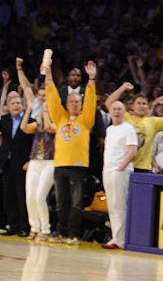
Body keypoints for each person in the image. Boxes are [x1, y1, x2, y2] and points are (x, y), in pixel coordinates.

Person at [44, 54, 97, 243]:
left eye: (77, 102)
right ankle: (61, 231)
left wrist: (91, 79)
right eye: (72, 101)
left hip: (78, 165)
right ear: (67, 104)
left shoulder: (86, 119)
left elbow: (91, 101)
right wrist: (48, 75)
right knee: (60, 203)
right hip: (60, 164)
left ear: (81, 104)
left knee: (76, 203)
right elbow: (51, 98)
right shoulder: (60, 117)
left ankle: (74, 234)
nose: (75, 104)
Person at [104, 83, 163, 173]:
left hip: (144, 167)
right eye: (138, 103)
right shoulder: (125, 117)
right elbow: (109, 103)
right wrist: (122, 88)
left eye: (144, 104)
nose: (141, 106)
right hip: (126, 165)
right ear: (132, 106)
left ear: (148, 107)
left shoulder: (153, 121)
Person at [101, 100, 138, 249]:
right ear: (110, 112)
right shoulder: (109, 129)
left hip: (120, 171)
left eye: (119, 109)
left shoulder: (128, 128)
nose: (116, 111)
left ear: (124, 112)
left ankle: (120, 239)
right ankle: (115, 237)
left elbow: (132, 150)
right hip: (107, 170)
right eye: (114, 109)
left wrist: (120, 167)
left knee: (119, 205)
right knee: (112, 205)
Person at [20, 87, 56, 240]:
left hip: (49, 162)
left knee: (40, 196)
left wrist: (46, 110)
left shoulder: (55, 122)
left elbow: (49, 127)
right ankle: (34, 227)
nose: (42, 100)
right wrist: (28, 109)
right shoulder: (36, 125)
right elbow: (23, 127)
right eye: (40, 97)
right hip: (35, 161)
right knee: (30, 196)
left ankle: (45, 229)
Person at [0, 90, 32, 236]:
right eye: (12, 103)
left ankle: (24, 227)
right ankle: (12, 226)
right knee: (9, 196)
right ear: (8, 105)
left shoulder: (30, 121)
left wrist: (29, 161)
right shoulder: (4, 120)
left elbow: (33, 144)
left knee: (22, 196)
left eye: (18, 103)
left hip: (22, 163)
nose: (16, 105)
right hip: (6, 163)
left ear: (23, 105)